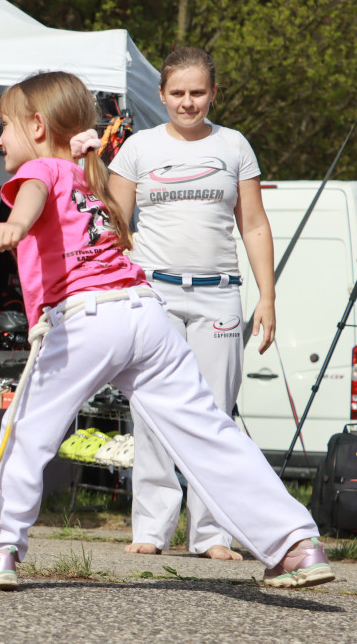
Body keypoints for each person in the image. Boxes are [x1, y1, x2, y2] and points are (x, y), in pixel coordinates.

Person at [0, 71, 333, 591]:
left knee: (26, 433)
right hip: (145, 314)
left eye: (4, 126)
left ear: (37, 126)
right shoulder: (91, 173)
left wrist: (16, 224)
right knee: (208, 430)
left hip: (86, 320)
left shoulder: (42, 169)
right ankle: (293, 543)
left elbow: (34, 190)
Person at [108, 47, 272, 561]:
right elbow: (114, 227)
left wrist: (267, 295)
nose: (187, 102)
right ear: (160, 95)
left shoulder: (235, 145)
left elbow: (254, 224)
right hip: (153, 292)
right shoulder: (137, 148)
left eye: (197, 92)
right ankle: (152, 530)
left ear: (214, 93)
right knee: (154, 407)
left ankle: (212, 535)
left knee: (214, 415)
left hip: (220, 292)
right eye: (177, 93)